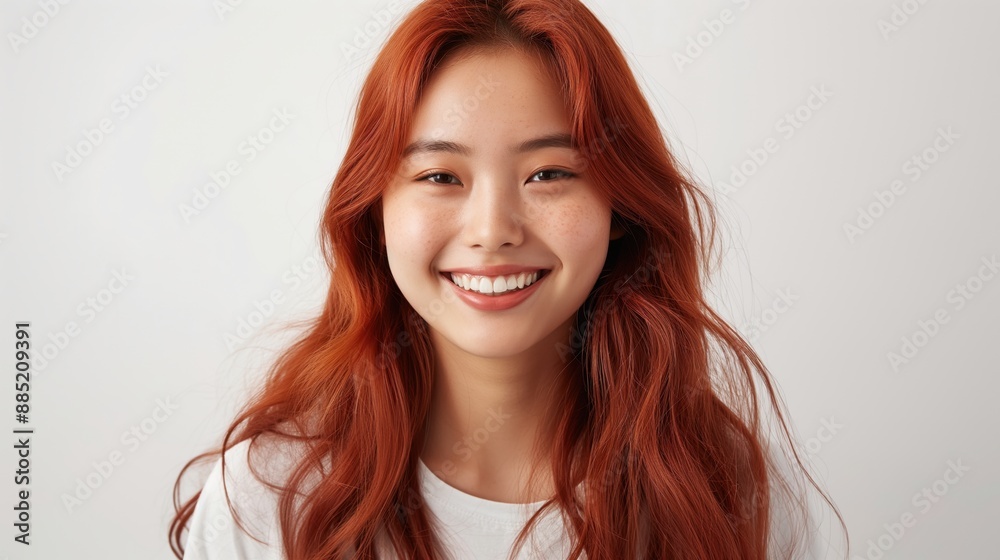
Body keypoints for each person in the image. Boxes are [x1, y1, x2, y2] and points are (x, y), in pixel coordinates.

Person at [169, 0, 849, 558]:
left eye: (549, 174)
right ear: (373, 212)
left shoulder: (725, 492)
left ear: (620, 208)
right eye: (440, 177)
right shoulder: (269, 501)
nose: (493, 230)